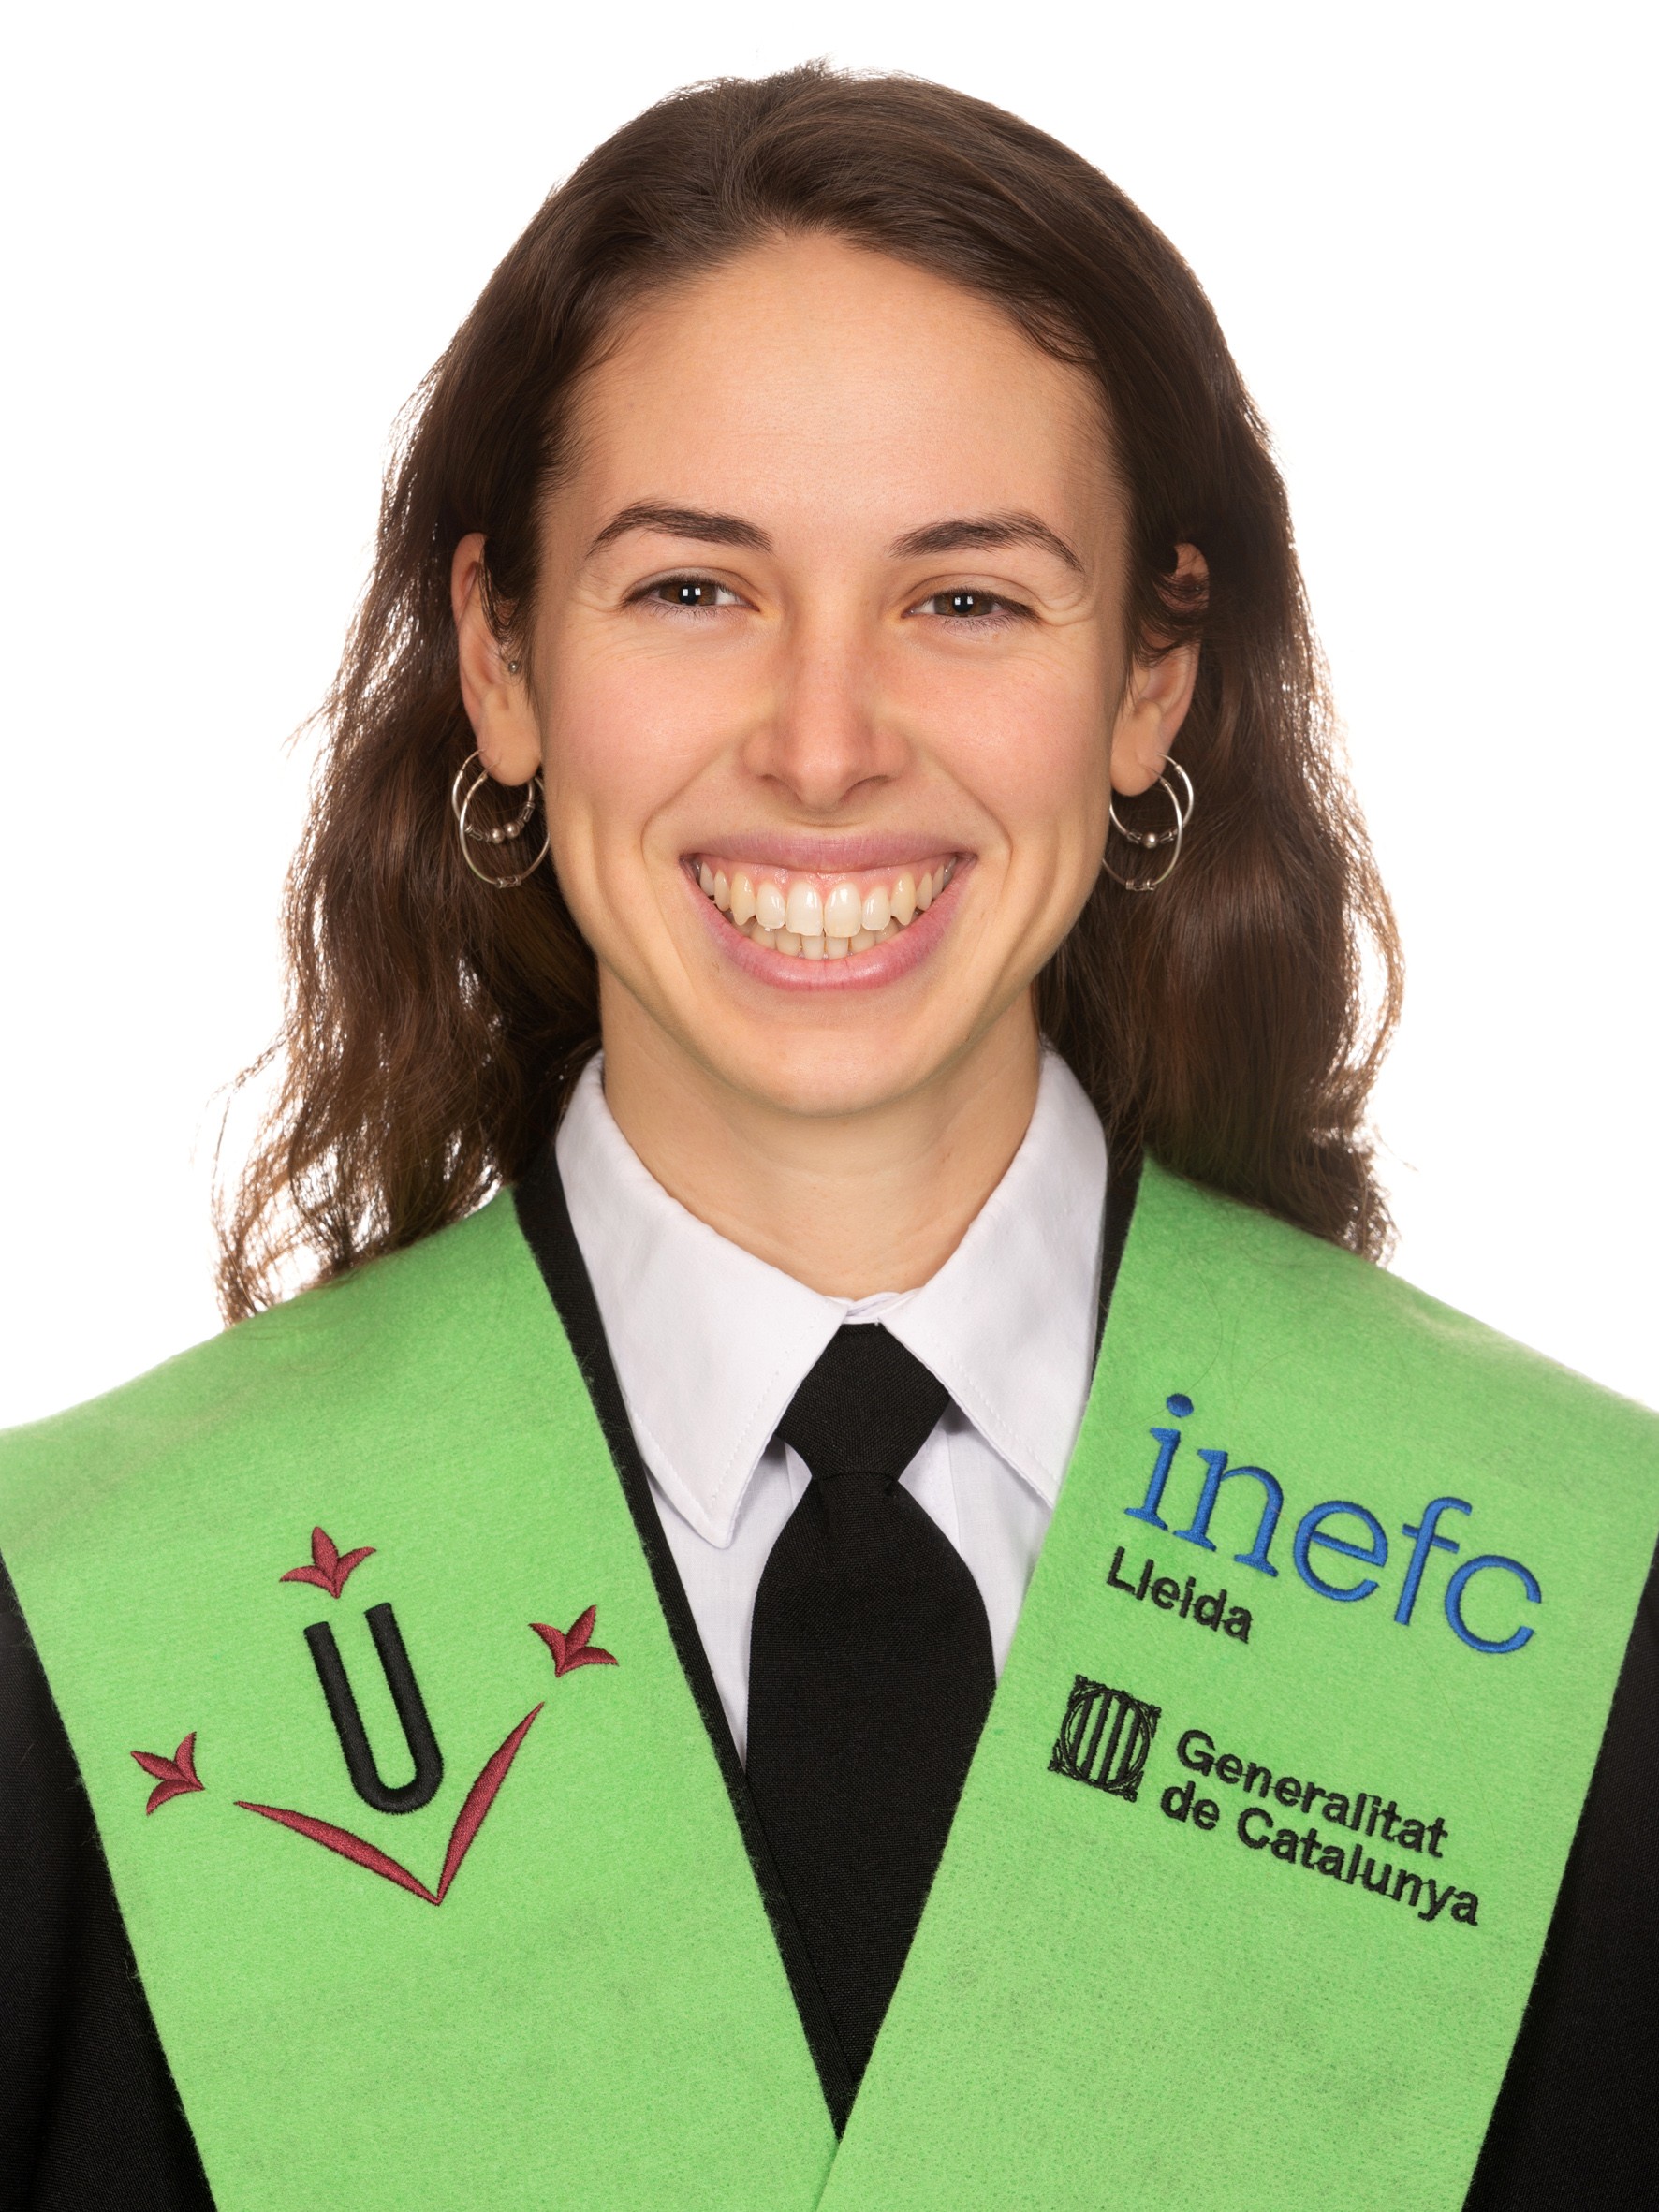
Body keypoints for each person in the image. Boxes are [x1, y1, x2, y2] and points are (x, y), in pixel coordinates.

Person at [1, 63, 1653, 2212]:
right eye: (694, 589)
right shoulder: (84, 1641)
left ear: (1152, 675)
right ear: (500, 657)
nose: (820, 743)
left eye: (965, 598)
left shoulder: (1570, 1611)